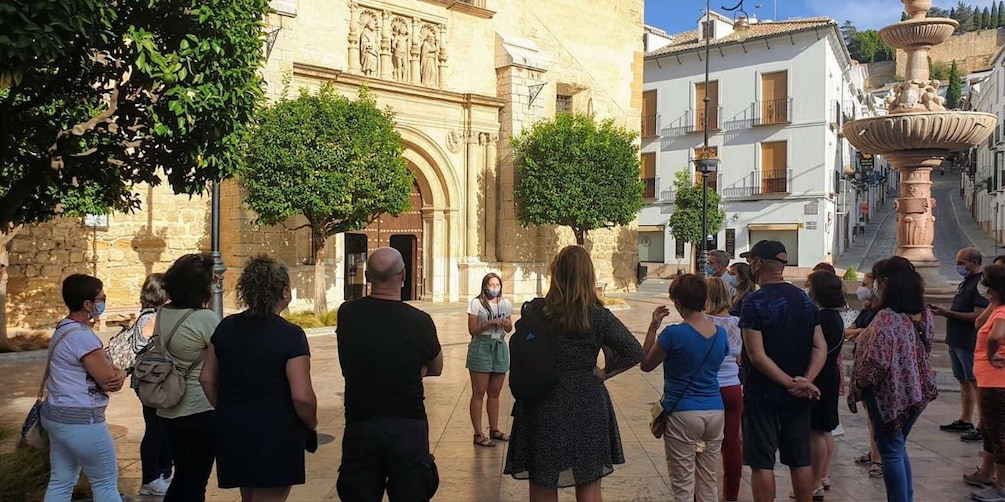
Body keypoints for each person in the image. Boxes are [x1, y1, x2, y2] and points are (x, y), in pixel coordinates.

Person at [504, 245, 644, 501]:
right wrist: (604, 373)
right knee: (588, 484)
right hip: (586, 401)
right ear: (588, 276)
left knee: (543, 482)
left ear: (556, 274)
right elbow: (634, 351)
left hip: (543, 399)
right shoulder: (598, 316)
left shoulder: (539, 312)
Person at [200, 255, 317, 502]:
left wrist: (226, 408)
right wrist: (311, 423)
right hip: (275, 432)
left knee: (249, 496)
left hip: (233, 428)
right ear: (285, 292)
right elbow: (302, 396)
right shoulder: (290, 335)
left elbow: (207, 378)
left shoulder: (226, 327)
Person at [336, 247, 443, 502]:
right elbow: (437, 367)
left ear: (367, 277)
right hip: (408, 424)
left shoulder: (347, 314)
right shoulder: (420, 321)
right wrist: (416, 369)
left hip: (361, 423)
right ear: (403, 276)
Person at [738, 240, 827, 502]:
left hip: (763, 395)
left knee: (762, 462)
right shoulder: (803, 299)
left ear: (757, 264)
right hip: (799, 396)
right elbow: (820, 345)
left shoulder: (753, 302)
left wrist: (789, 382)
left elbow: (756, 355)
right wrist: (805, 382)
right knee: (800, 458)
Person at [850, 257, 937, 502]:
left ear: (886, 283)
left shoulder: (887, 318)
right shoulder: (925, 314)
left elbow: (876, 363)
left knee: (890, 449)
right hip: (917, 391)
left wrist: (858, 385)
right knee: (897, 447)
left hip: (889, 394)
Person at [640, 274, 728, 502]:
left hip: (683, 413)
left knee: (683, 485)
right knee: (709, 481)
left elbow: (646, 364)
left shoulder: (673, 334)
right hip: (715, 410)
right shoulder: (721, 334)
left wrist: (652, 328)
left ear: (678, 303)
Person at [42, 274, 127, 502]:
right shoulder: (82, 338)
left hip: (57, 414)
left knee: (61, 481)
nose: (103, 302)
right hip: (81, 420)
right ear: (88, 305)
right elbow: (109, 380)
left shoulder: (64, 328)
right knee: (106, 483)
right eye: (101, 298)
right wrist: (121, 372)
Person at [158, 253, 222, 502]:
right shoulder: (204, 319)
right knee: (196, 480)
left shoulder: (164, 313)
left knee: (183, 475)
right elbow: (223, 359)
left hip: (169, 409)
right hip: (198, 407)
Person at [931, 247, 988, 443]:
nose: (958, 266)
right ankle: (965, 419)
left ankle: (984, 425)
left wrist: (947, 314)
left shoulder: (980, 285)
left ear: (974, 262)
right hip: (956, 339)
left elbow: (978, 315)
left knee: (975, 383)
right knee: (963, 381)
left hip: (968, 340)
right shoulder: (966, 282)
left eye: (961, 263)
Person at [805, 270, 846, 499]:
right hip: (828, 373)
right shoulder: (832, 316)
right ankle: (821, 477)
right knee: (825, 428)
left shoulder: (824, 318)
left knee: (817, 431)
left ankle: (814, 483)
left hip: (820, 374)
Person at [966, 264, 1005, 500]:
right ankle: (988, 472)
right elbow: (979, 324)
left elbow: (996, 335)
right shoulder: (997, 308)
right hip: (988, 380)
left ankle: (1001, 484)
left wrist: (991, 354)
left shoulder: (1002, 313)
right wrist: (994, 300)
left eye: (987, 283)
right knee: (990, 430)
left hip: (997, 382)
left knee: (999, 432)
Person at [134, 274, 173, 496]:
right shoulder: (151, 318)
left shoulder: (152, 316)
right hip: (152, 381)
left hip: (156, 380)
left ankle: (164, 472)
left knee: (163, 427)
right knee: (155, 429)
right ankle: (150, 478)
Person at [706, 277, 743, 501]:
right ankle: (731, 494)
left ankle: (703, 492)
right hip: (732, 385)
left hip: (708, 387)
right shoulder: (737, 323)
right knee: (732, 444)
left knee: (705, 445)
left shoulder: (703, 321)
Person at [466, 272, 513, 447]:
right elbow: (472, 329)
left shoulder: (505, 304)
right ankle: (478, 433)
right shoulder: (476, 303)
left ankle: (494, 429)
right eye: (491, 285)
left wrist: (505, 323)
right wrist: (489, 324)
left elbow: (509, 327)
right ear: (485, 286)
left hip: (499, 346)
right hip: (482, 346)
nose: (495, 288)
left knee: (495, 392)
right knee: (479, 392)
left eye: (497, 285)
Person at [846, 273, 882, 480]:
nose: (861, 288)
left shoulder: (881, 313)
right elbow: (849, 331)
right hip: (861, 362)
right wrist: (859, 331)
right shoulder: (866, 310)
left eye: (865, 285)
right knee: (869, 416)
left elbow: (868, 333)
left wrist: (860, 332)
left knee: (876, 416)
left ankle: (879, 459)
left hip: (873, 368)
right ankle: (874, 452)